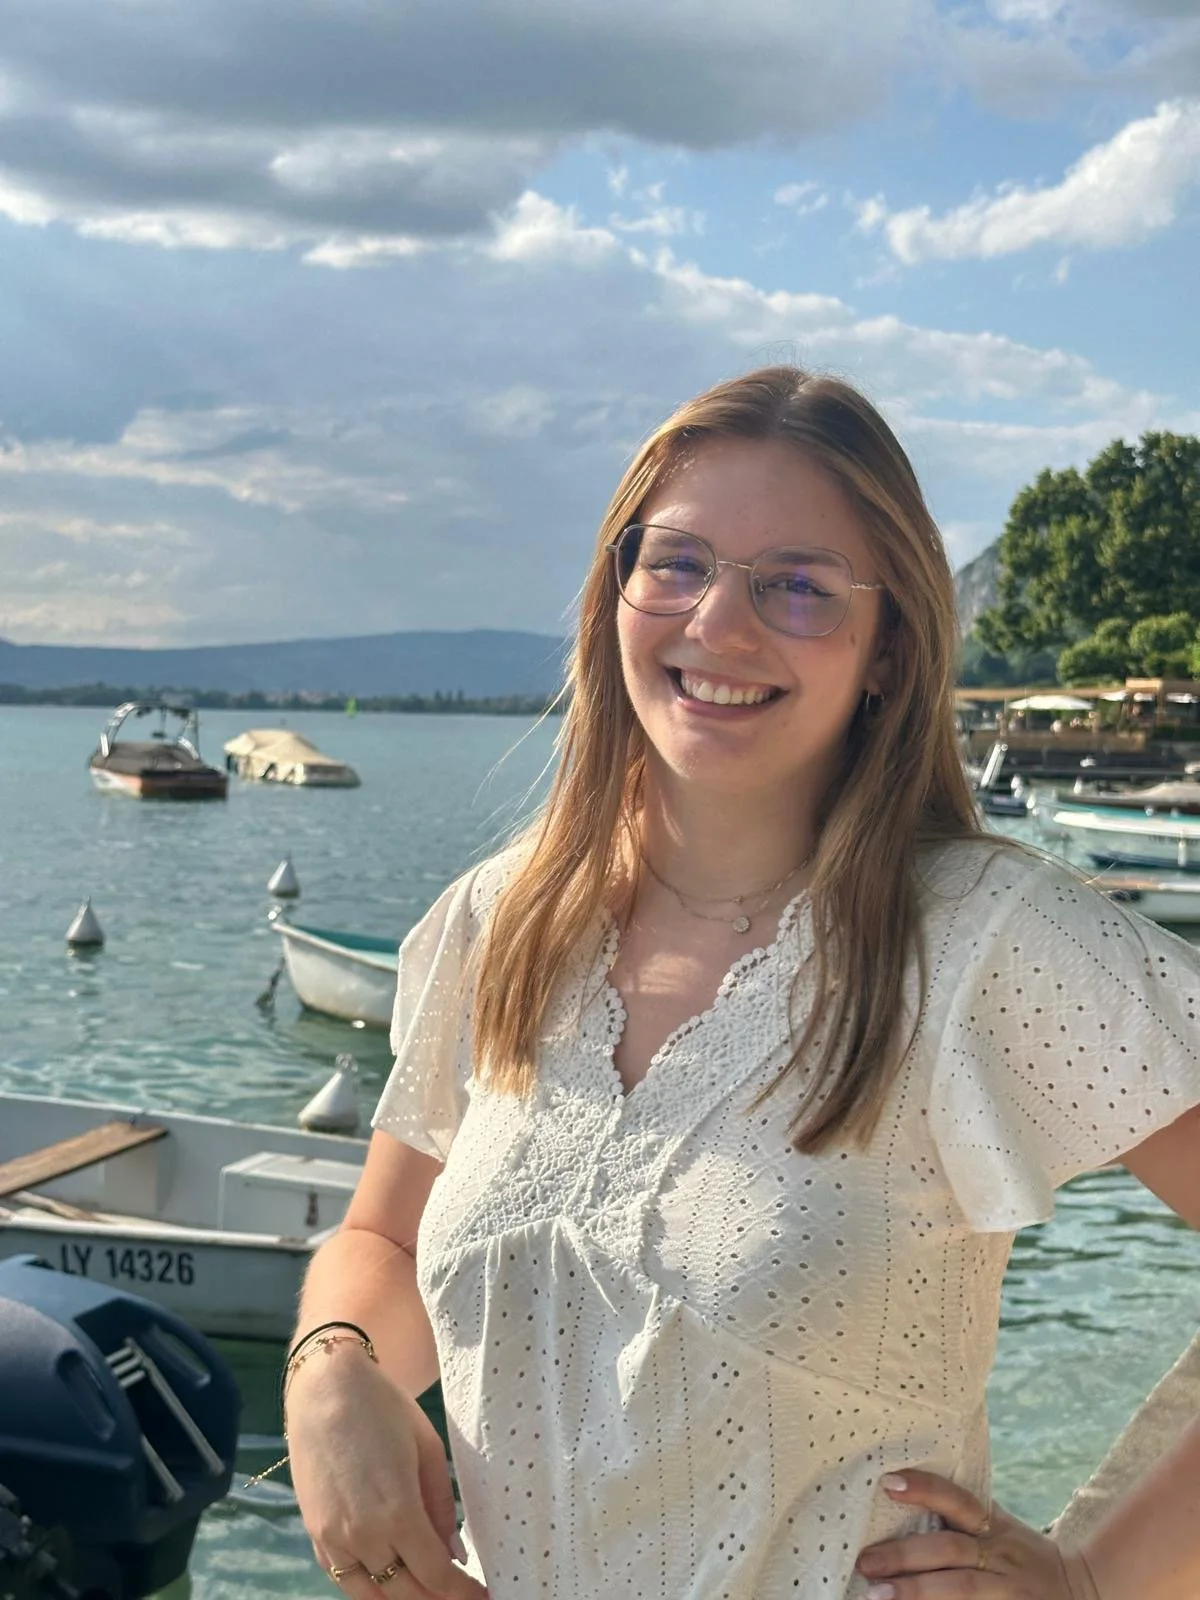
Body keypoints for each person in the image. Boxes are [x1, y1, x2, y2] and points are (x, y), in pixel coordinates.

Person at [281, 366, 1200, 1599]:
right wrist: (332, 1373)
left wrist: (1099, 1582)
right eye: (676, 563)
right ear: (617, 592)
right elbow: (383, 1236)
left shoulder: (986, 940)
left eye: (801, 588)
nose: (718, 623)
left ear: (887, 651)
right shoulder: (502, 924)